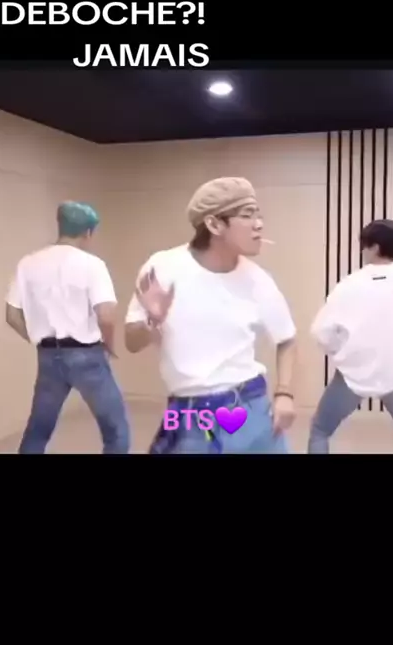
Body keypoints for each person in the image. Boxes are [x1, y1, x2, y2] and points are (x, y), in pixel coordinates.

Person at [124, 177, 297, 454]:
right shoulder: (164, 267)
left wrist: (284, 393)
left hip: (251, 404)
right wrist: (152, 320)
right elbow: (131, 343)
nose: (259, 224)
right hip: (188, 412)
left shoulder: (258, 279)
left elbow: (286, 339)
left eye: (258, 215)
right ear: (214, 224)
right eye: (247, 215)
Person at [5, 201, 130, 454]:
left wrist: (38, 339)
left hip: (48, 356)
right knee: (115, 429)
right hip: (87, 355)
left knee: (38, 430)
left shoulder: (28, 263)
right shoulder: (92, 264)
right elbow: (106, 315)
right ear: (88, 232)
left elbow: (12, 315)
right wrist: (109, 345)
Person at [308, 219, 393, 454]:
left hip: (351, 375)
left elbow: (321, 332)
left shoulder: (349, 284)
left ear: (375, 247)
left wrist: (343, 353)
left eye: (364, 245)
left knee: (320, 431)